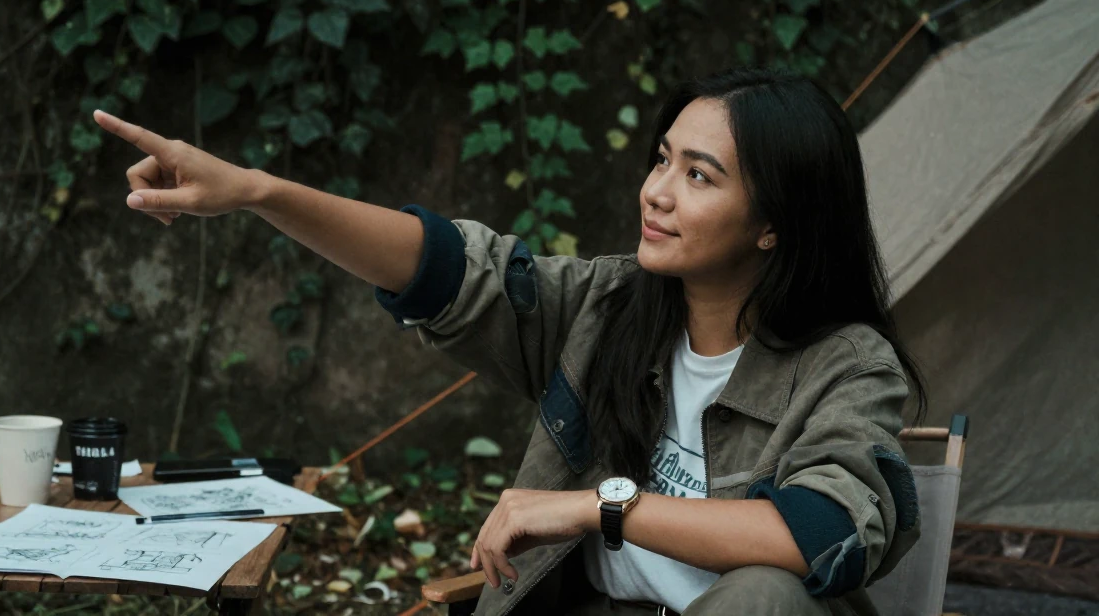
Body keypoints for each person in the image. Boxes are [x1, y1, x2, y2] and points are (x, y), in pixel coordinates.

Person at [95, 67, 924, 616]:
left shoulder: (845, 368)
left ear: (775, 223)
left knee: (764, 598)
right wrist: (256, 192)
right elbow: (446, 269)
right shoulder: (608, 307)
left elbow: (822, 534)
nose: (657, 192)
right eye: (662, 159)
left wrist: (600, 506)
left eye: (699, 176)